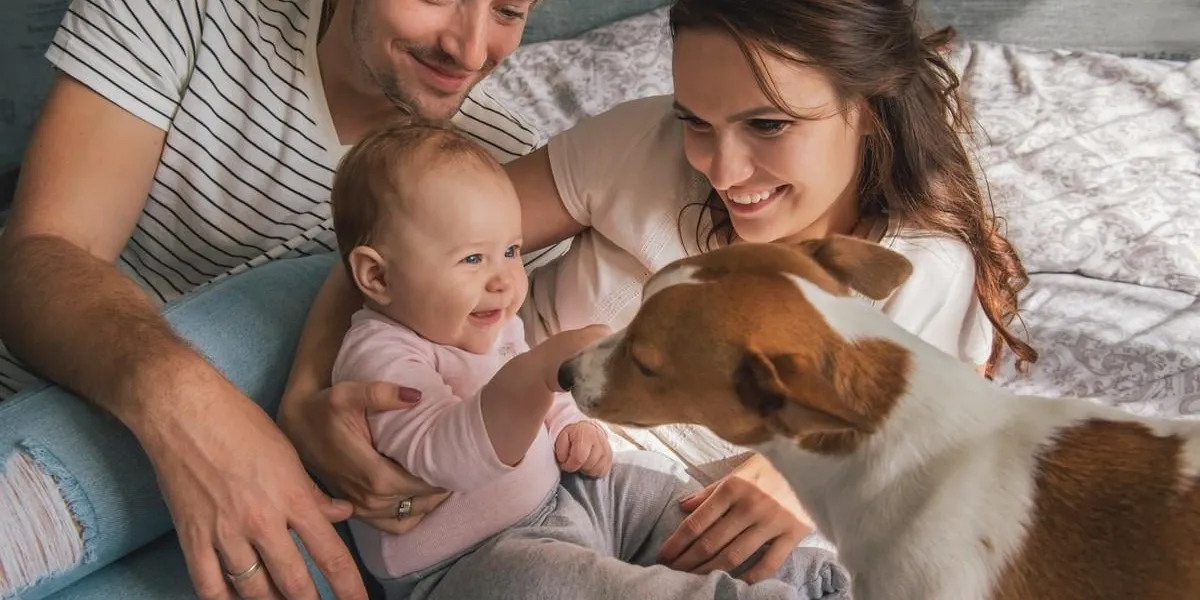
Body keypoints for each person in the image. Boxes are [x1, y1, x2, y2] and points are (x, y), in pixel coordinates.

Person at [284, 0, 1040, 586]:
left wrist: (802, 475)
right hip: (474, 473)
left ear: (867, 106)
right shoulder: (642, 147)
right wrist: (307, 394)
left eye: (768, 124)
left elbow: (934, 447)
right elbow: (405, 240)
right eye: (696, 121)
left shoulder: (920, 271)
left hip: (655, 530)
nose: (723, 169)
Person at [0, 0, 549, 598]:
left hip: (290, 510)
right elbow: (41, 252)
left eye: (507, 10)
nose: (470, 51)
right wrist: (194, 413)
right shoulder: (184, 13)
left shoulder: (501, 166)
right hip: (49, 416)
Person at [325, 119, 847, 599]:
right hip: (469, 565)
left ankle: (811, 581)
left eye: (510, 251)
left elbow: (544, 409)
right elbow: (446, 459)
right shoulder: (381, 355)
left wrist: (573, 427)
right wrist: (539, 374)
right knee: (572, 586)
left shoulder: (489, 322)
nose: (505, 278)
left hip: (563, 500)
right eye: (472, 259)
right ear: (377, 277)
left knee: (655, 493)